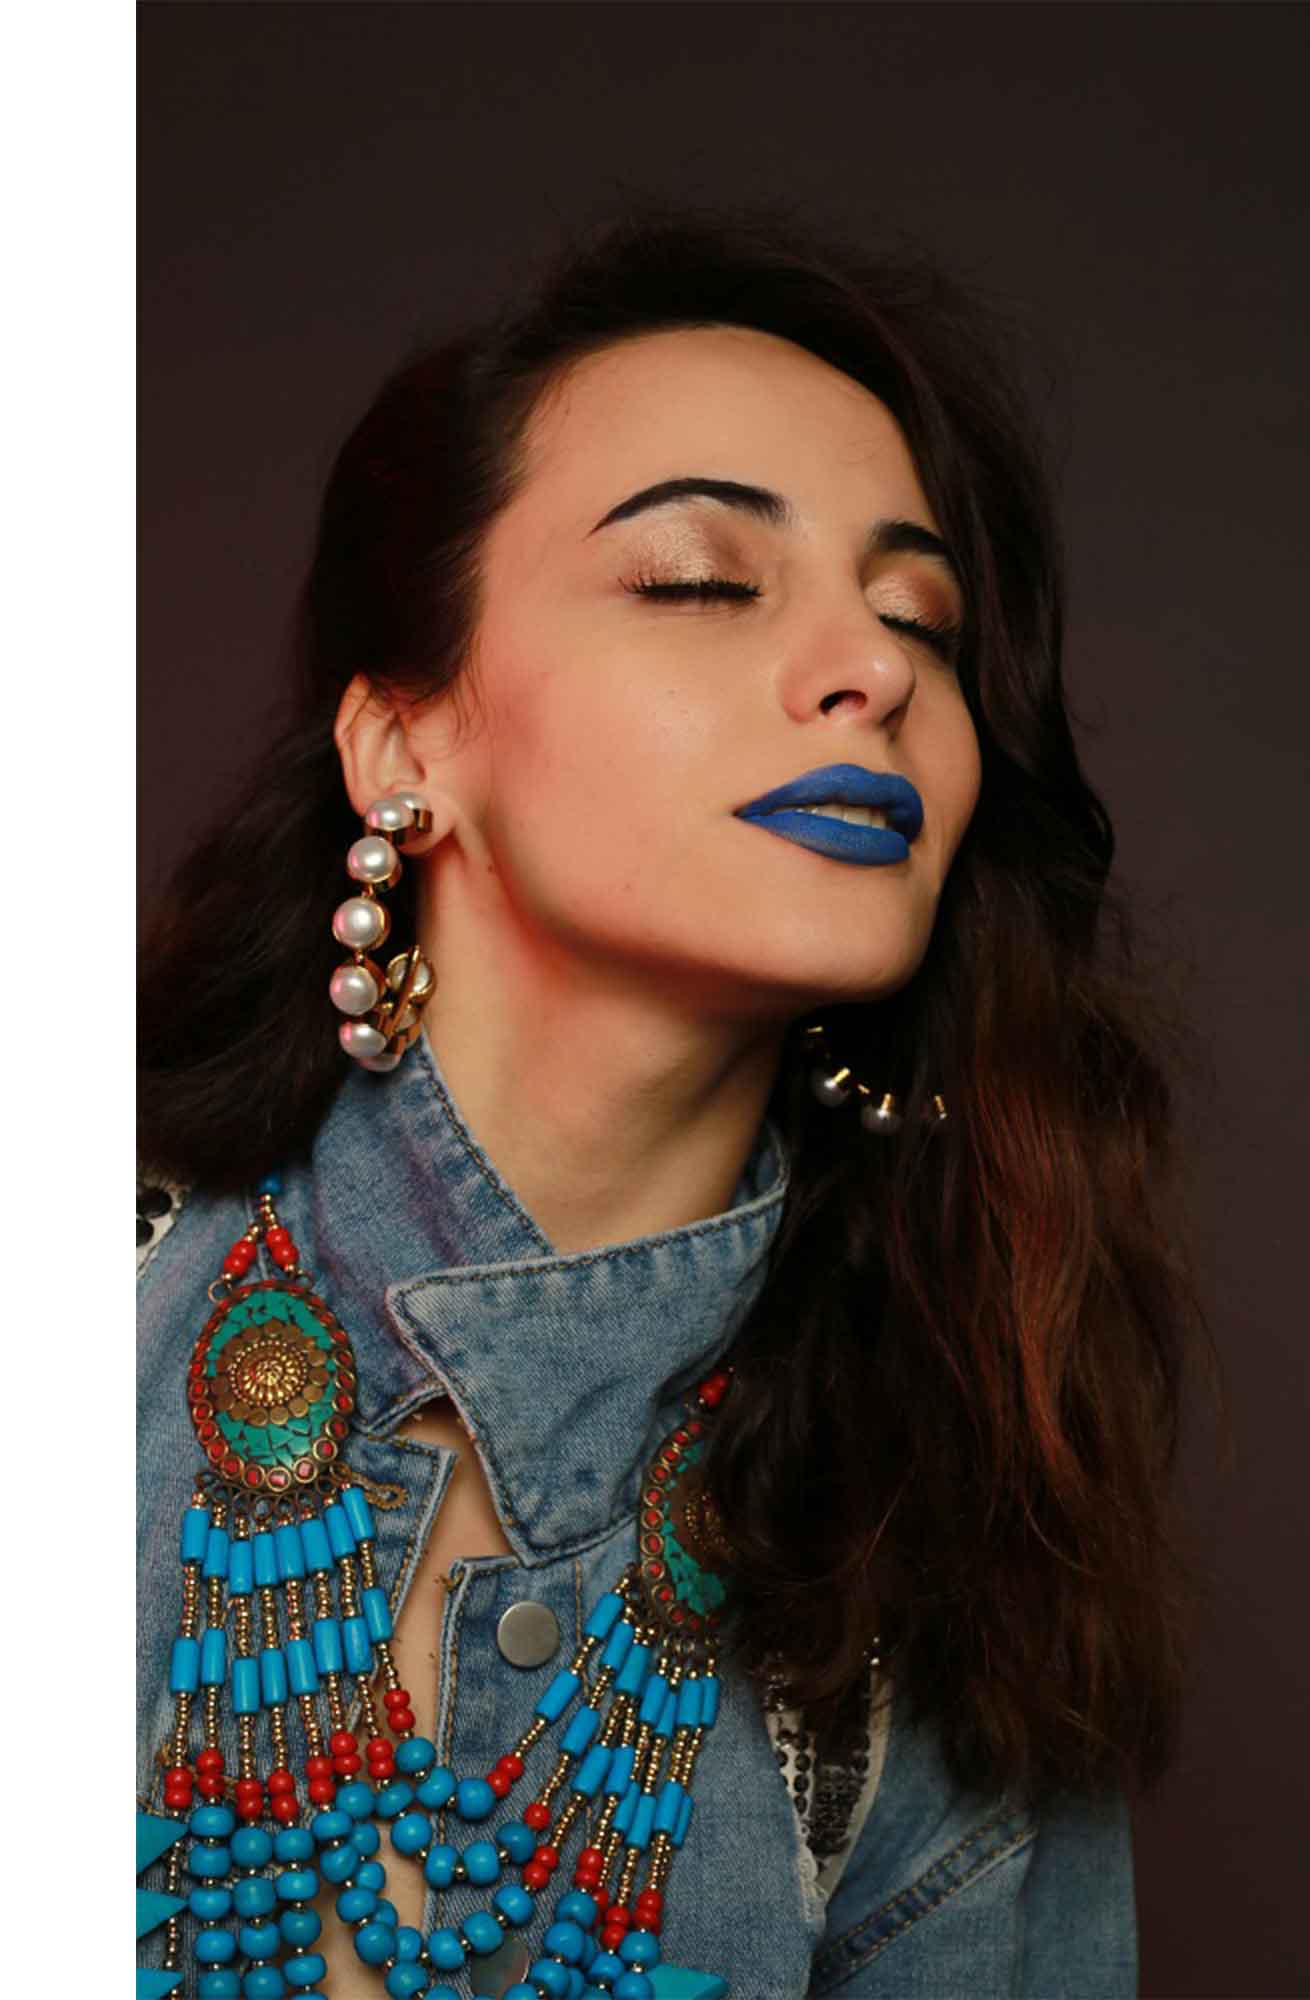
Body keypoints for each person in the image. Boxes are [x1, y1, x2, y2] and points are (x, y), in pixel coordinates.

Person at [137, 201, 1203, 2000]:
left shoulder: (937, 1544)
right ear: (406, 742)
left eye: (920, 617)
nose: (874, 667)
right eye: (703, 578)